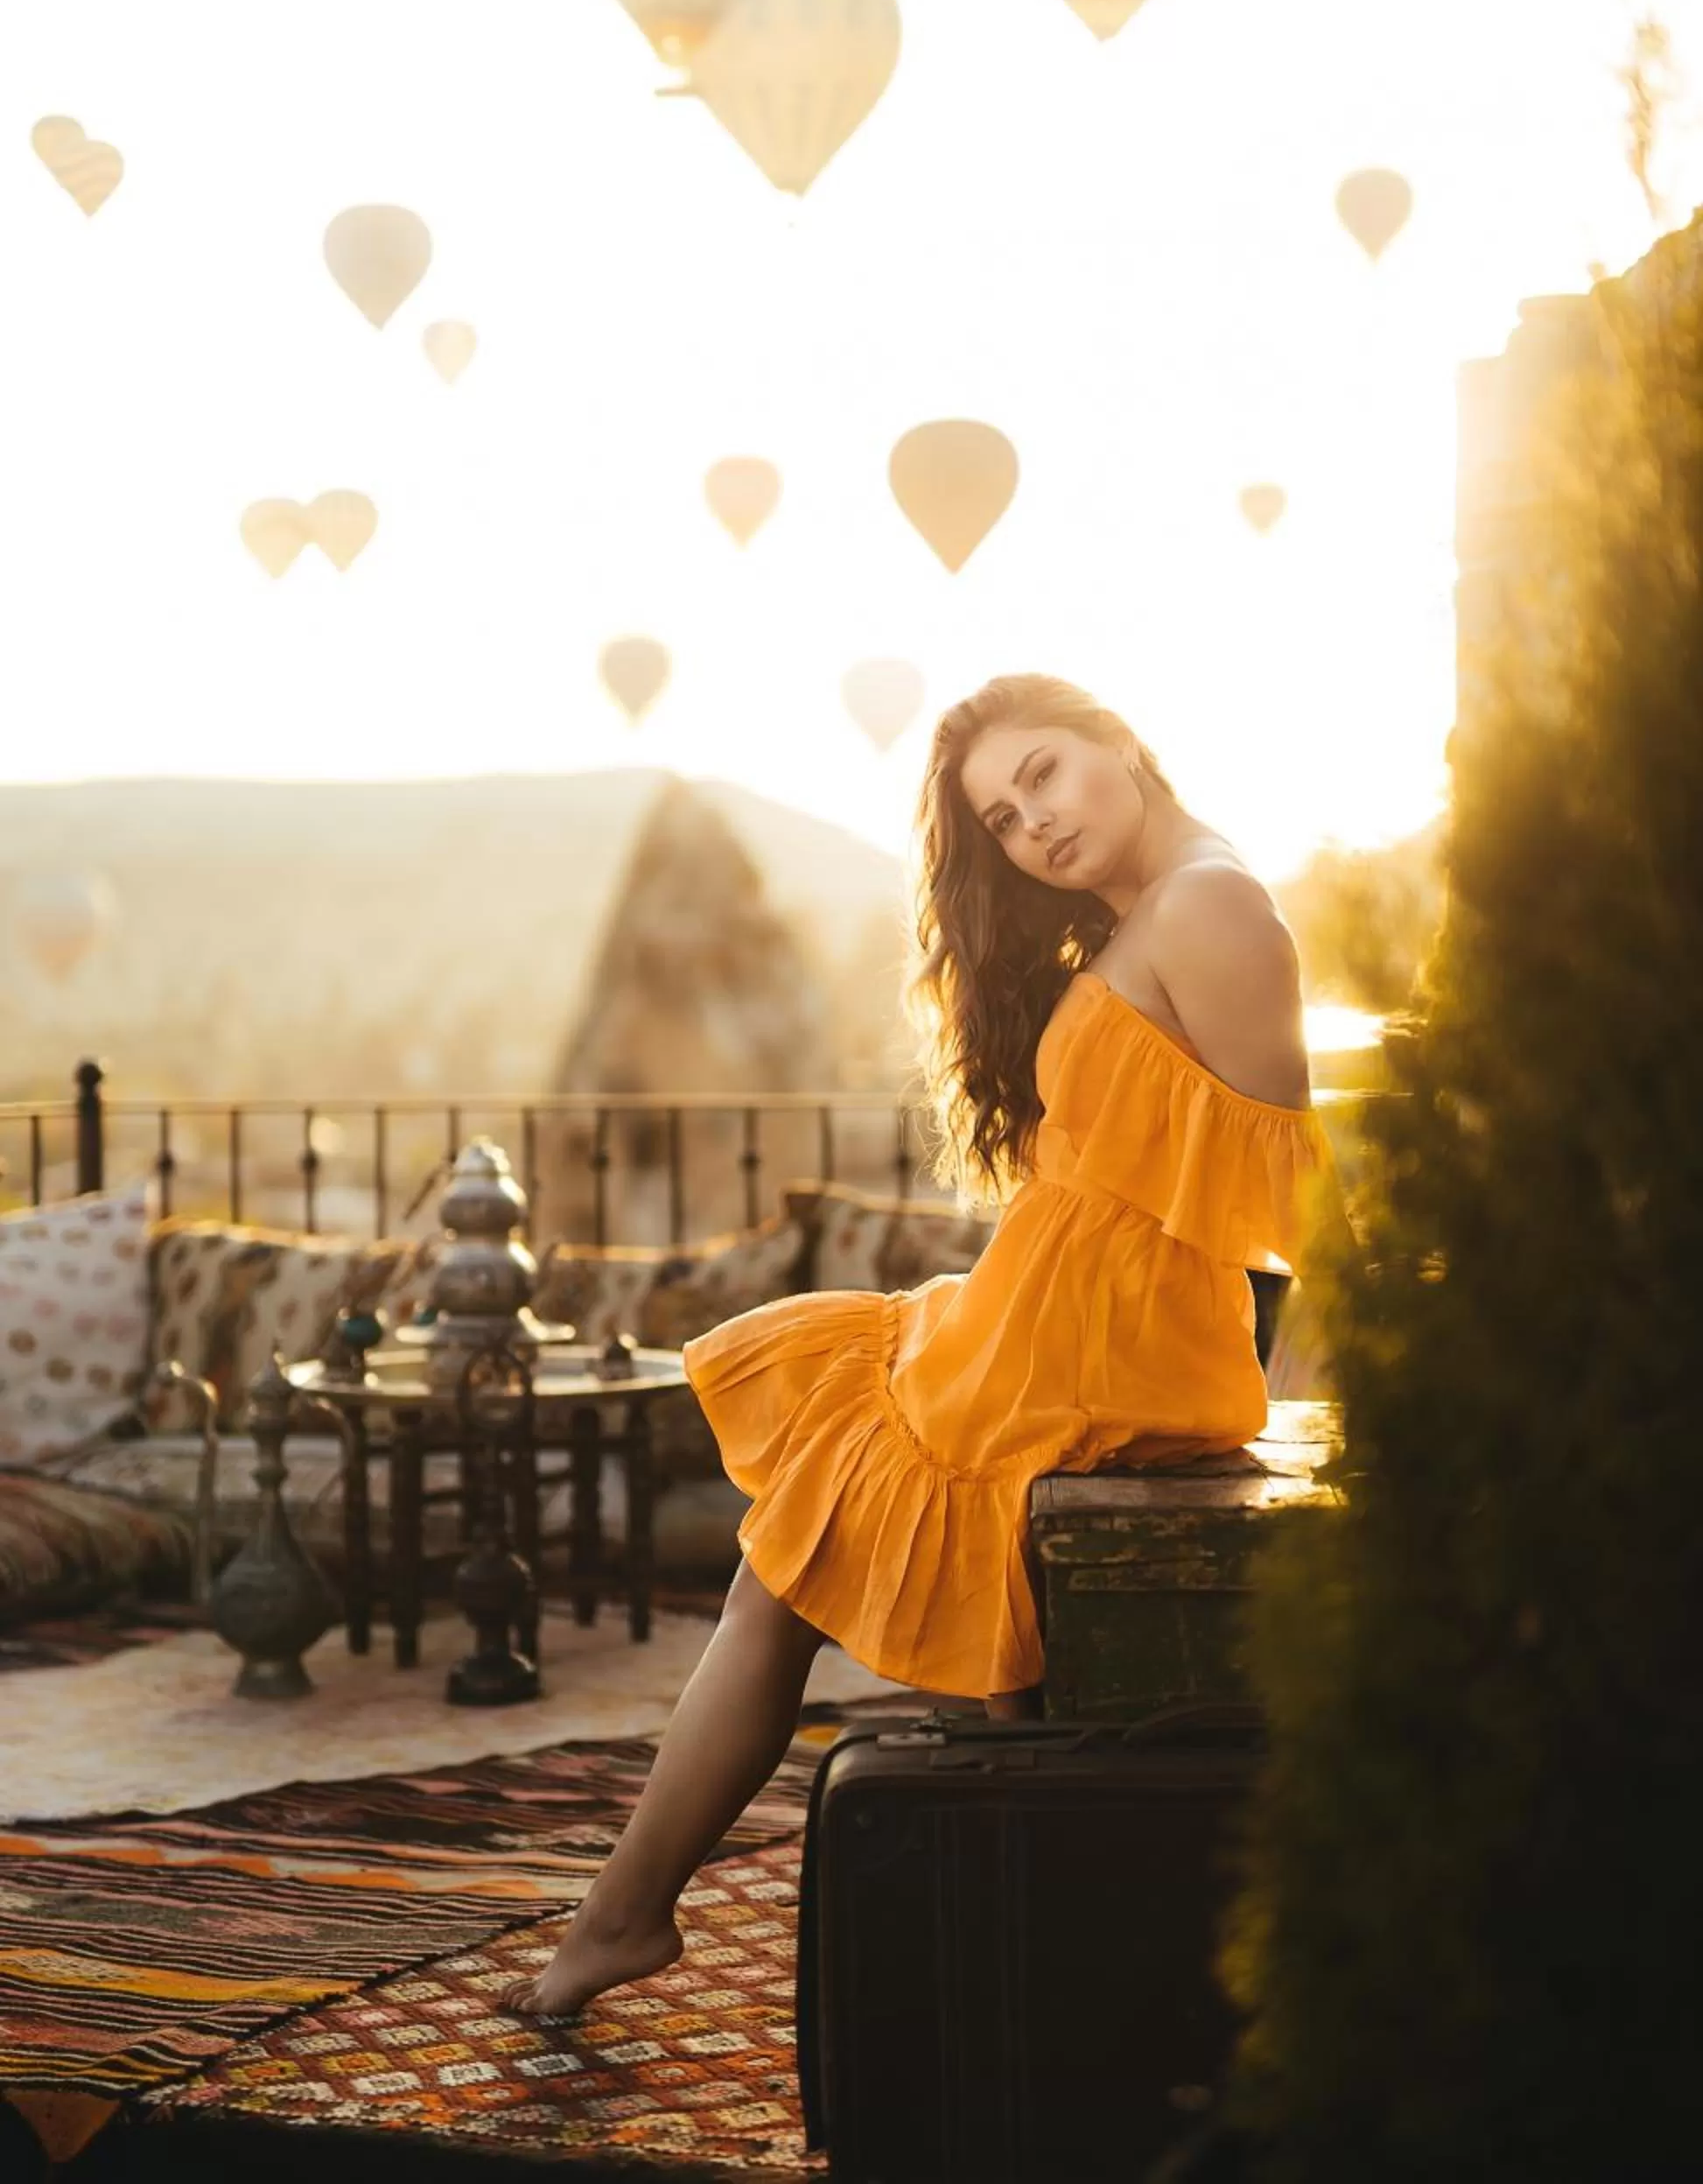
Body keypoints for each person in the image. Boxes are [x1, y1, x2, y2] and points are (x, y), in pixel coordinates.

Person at [505, 671, 1343, 2021]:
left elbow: (1285, 1188)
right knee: (812, 1549)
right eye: (1005, 818)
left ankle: (626, 1914)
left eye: (1046, 777)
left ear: (1116, 738)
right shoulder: (1154, 904)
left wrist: (1324, 1408)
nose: (1034, 826)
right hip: (1050, 1319)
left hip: (1105, 1343)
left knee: (781, 1569)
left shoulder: (1208, 904)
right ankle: (983, 1933)